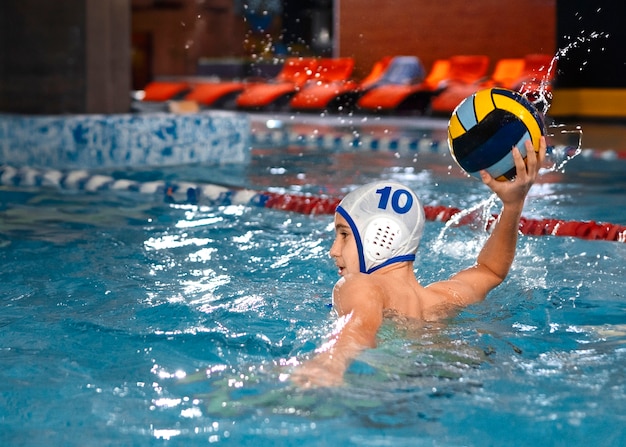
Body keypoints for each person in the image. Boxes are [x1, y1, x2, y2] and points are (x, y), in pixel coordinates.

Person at [291, 137, 547, 387]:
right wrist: (513, 205)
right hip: (459, 376)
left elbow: (358, 327)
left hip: (391, 388)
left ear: (380, 235)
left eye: (344, 234)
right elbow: (490, 271)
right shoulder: (444, 297)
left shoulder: (359, 285)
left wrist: (330, 362)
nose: (333, 250)